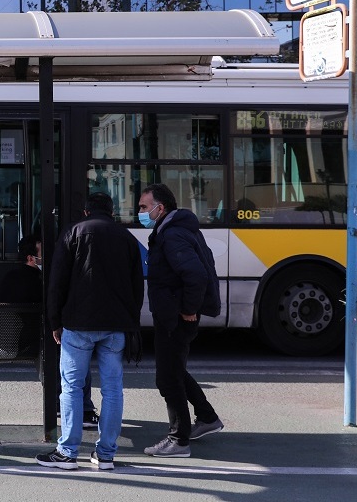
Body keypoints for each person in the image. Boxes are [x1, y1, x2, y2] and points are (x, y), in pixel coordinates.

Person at [36, 192, 143, 470]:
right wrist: (131, 323)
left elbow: (57, 281)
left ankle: (67, 453)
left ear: (86, 211)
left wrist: (55, 321)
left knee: (71, 387)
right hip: (116, 325)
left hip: (78, 323)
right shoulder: (127, 238)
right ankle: (106, 455)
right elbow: (137, 286)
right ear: (112, 212)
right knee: (113, 389)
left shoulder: (73, 233)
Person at [138, 183, 225, 458]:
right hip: (173, 314)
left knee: (167, 378)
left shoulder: (172, 235)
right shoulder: (174, 230)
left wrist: (188, 308)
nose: (140, 212)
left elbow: (196, 275)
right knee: (175, 370)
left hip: (175, 317)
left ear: (160, 208)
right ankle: (207, 417)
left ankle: (179, 440)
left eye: (144, 207)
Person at [0, 236, 101, 429]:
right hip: (33, 340)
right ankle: (83, 410)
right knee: (76, 352)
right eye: (43, 253)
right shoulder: (41, 281)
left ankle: (57, 401)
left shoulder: (11, 277)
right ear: (31, 258)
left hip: (13, 341)